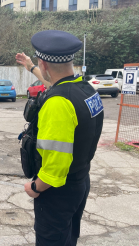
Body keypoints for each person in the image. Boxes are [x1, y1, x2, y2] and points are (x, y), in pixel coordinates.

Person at [16, 30, 104, 246]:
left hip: (58, 193)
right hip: (80, 181)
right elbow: (56, 87)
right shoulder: (86, 89)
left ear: (44, 63)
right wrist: (33, 68)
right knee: (68, 239)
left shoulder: (57, 104)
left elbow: (56, 164)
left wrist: (36, 187)